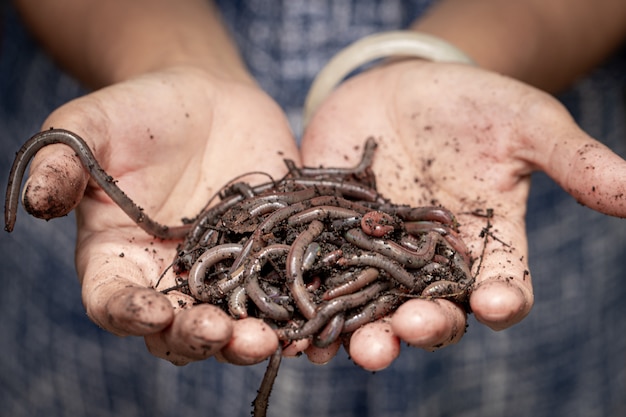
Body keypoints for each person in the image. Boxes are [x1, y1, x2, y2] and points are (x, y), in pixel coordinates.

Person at [0, 0, 624, 415]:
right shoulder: (279, 231)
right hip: (97, 349)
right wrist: (169, 59)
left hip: (545, 302)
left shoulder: (397, 236)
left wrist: (440, 59)